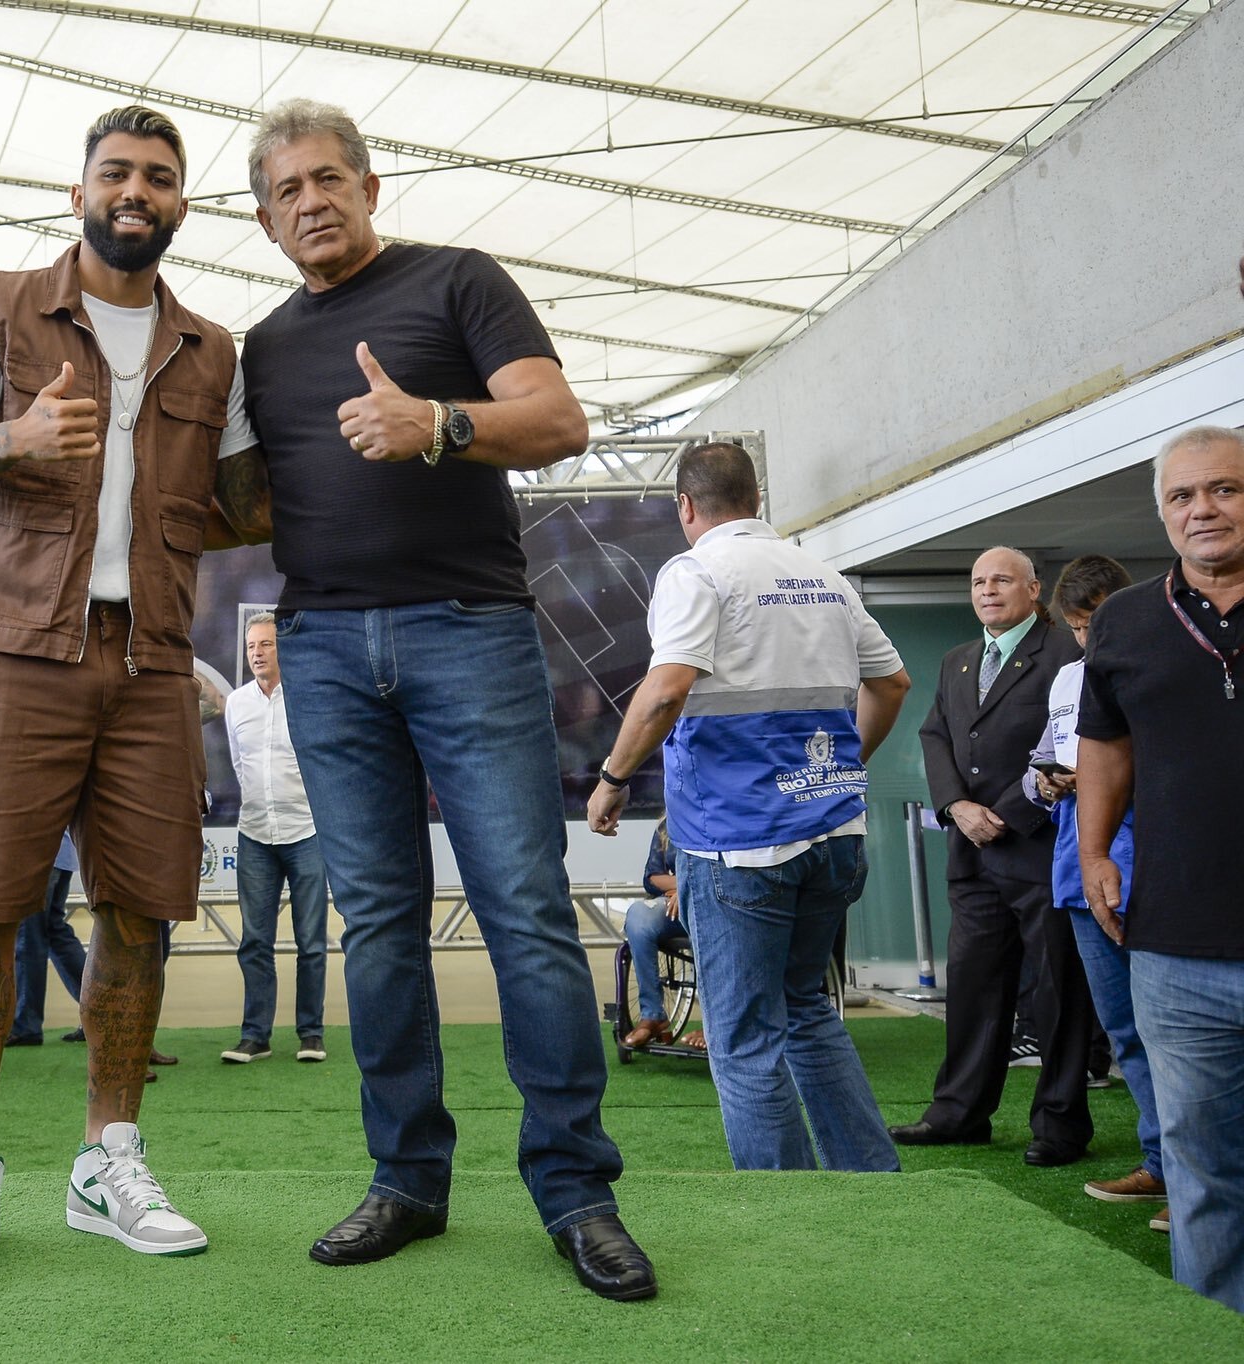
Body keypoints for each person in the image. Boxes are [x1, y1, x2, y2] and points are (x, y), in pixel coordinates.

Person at [219, 97, 653, 1301]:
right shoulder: (261, 346)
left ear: (368, 187)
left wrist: (436, 423)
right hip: (319, 647)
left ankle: (576, 1192)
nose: (310, 201)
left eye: (328, 178)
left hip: (467, 630)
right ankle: (406, 1177)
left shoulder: (459, 279)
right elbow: (246, 502)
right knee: (376, 924)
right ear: (262, 219)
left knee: (524, 909)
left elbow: (557, 420)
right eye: (285, 189)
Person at [0, 104, 257, 1286]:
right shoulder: (0, 307)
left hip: (153, 663)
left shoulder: (211, 349)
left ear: (182, 203)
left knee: (141, 913)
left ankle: (108, 1160)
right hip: (13, 654)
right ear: (79, 193)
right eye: (115, 172)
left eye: (158, 176)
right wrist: (17, 434)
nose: (134, 190)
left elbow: (244, 505)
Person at [588, 441, 910, 1172]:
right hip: (833, 831)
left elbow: (666, 690)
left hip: (739, 843)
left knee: (741, 1035)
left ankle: (783, 1203)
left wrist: (612, 777)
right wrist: (843, 768)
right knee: (806, 1010)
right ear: (756, 499)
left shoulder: (696, 572)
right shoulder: (824, 576)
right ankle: (871, 1182)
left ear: (685, 506)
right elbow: (892, 684)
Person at [1079, 425, 1244, 1311]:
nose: (1202, 509)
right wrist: (1094, 851)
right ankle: (1216, 1334)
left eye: (1224, 489)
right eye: (1182, 496)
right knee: (1200, 1168)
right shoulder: (1126, 619)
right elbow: (1105, 744)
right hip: (1174, 950)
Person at [893, 547, 1089, 1166]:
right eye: (978, 581)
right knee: (974, 987)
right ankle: (959, 1114)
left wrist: (1003, 813)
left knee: (1056, 991)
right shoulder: (957, 660)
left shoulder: (1067, 653)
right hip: (971, 854)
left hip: (1039, 848)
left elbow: (1068, 743)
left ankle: (1060, 1125)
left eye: (1002, 579)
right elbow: (934, 736)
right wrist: (955, 806)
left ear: (1033, 590)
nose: (987, 590)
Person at [1021, 555, 1162, 1212]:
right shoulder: (1068, 679)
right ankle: (1163, 1163)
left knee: (1177, 1032)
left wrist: (1107, 782)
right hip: (1078, 870)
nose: (1087, 636)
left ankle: (1204, 1175)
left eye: (1095, 621)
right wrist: (1048, 783)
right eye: (1077, 626)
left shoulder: (1157, 665)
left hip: (1151, 867)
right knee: (1125, 1029)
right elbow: (1041, 762)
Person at [221, 610, 328, 1064]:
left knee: (312, 942)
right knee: (254, 942)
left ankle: (311, 1034)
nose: (257, 653)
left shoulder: (308, 698)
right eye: (251, 647)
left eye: (266, 644)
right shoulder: (235, 703)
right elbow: (238, 763)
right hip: (255, 835)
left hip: (306, 833)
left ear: (282, 648)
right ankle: (255, 1036)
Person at [618, 821, 695, 1051]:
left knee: (702, 912)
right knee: (638, 914)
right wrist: (680, 887)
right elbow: (651, 878)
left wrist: (689, 889)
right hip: (673, 905)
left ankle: (719, 1024)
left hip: (713, 902)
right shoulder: (667, 825)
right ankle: (652, 1015)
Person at [7, 831, 87, 1047]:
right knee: (54, 931)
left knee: (30, 938)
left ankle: (26, 1025)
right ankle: (103, 1010)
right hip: (62, 853)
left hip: (36, 854)